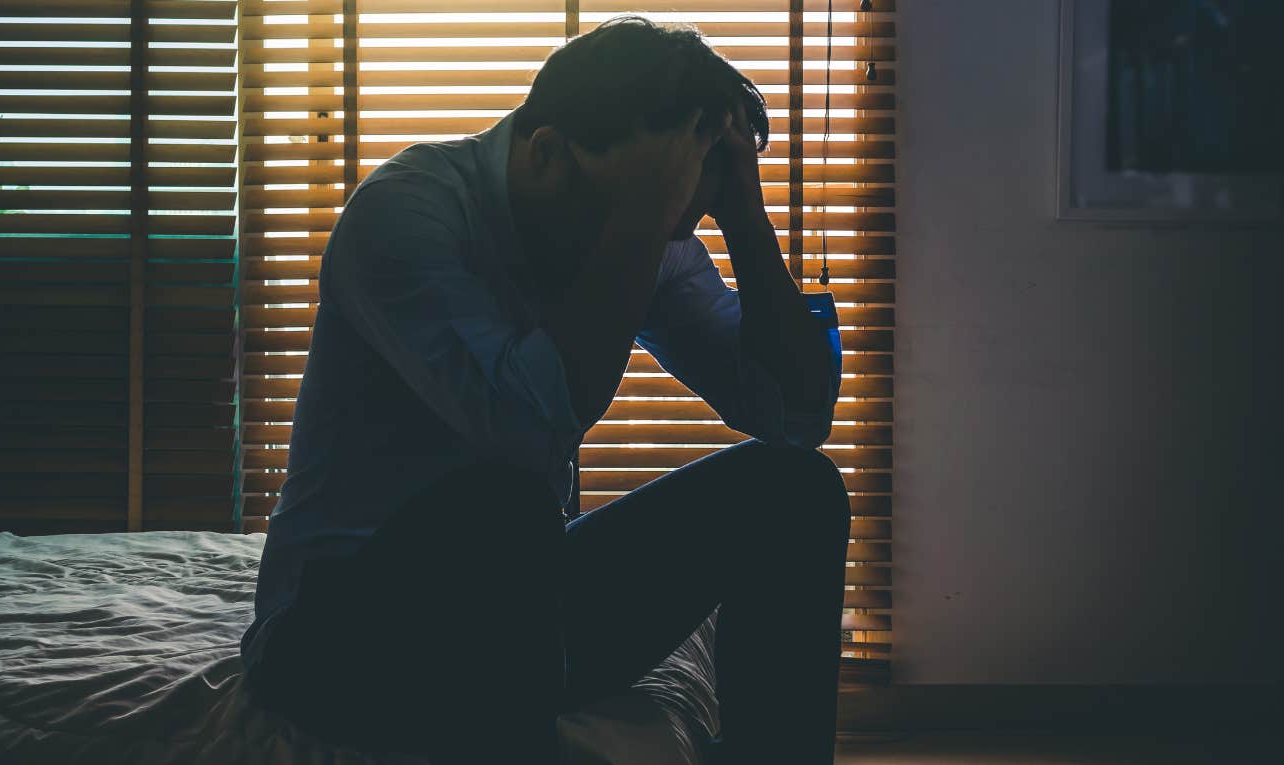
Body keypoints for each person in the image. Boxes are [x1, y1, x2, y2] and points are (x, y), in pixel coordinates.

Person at [241, 16, 851, 765]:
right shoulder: (408, 216)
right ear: (547, 153)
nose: (661, 238)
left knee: (795, 490)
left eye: (673, 219)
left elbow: (795, 415)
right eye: (647, 209)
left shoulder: (647, 235)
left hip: (513, 619)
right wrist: (641, 216)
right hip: (335, 637)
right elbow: (528, 430)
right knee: (506, 503)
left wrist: (745, 220)